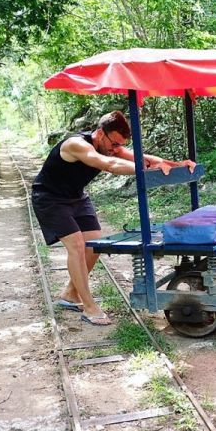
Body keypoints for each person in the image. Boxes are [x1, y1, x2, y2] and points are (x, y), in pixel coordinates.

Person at [32, 110, 196, 326]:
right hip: (50, 197)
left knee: (94, 243)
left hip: (76, 196)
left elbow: (142, 158)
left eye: (119, 145)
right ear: (101, 133)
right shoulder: (76, 145)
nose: (116, 149)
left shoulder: (110, 144)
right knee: (77, 246)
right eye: (114, 143)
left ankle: (71, 293)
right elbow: (109, 164)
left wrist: (174, 164)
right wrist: (145, 170)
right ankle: (90, 307)